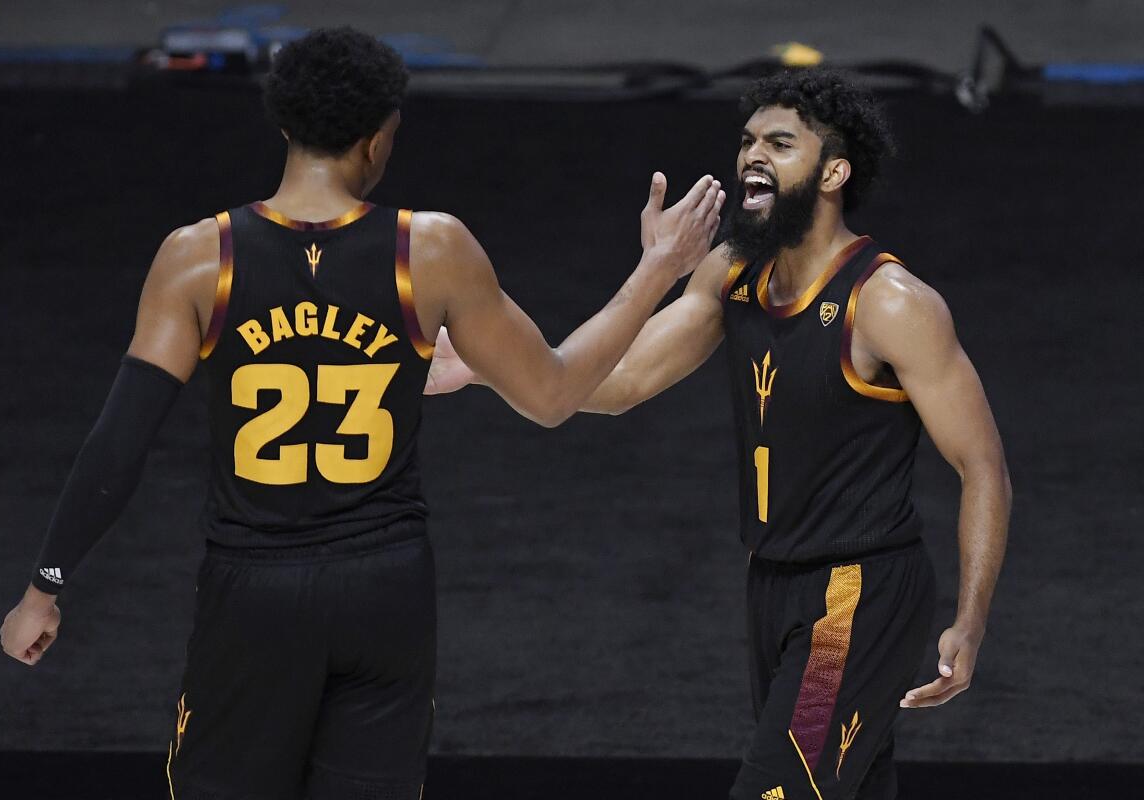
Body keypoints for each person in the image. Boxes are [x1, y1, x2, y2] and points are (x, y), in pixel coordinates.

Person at [0, 26, 725, 800]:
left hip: (254, 590)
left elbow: (119, 443)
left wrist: (45, 584)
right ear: (379, 138)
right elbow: (552, 395)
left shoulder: (198, 257)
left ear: (282, 125)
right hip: (384, 589)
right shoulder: (431, 249)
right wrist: (658, 269)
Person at [427, 68, 1011, 800]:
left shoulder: (890, 303)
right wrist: (484, 366)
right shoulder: (732, 270)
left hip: (854, 599)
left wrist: (973, 618)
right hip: (771, 587)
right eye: (746, 142)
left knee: (776, 789)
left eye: (779, 142)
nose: (751, 157)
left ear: (833, 171)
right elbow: (619, 382)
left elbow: (983, 464)